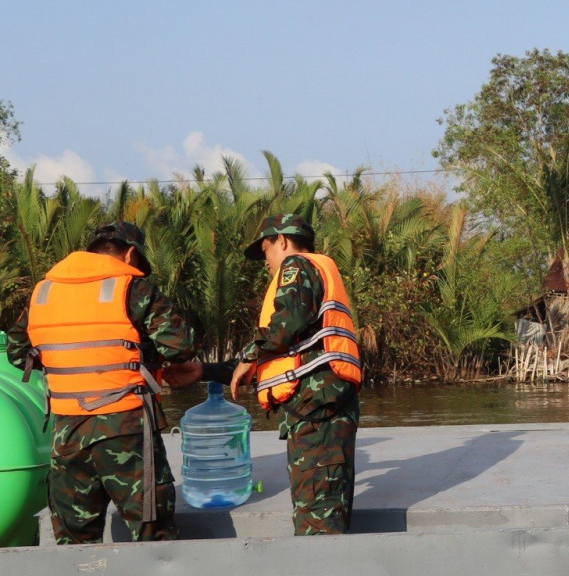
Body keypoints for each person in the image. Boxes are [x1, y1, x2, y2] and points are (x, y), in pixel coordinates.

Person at [8, 222, 203, 542]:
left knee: (75, 541)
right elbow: (182, 344)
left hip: (66, 434)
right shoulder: (133, 287)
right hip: (126, 428)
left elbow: (19, 354)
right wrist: (143, 356)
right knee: (153, 533)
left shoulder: (44, 292)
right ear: (130, 253)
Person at [230, 212, 364, 535]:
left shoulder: (297, 267)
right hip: (325, 409)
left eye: (266, 251)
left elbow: (285, 325)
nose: (266, 262)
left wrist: (249, 357)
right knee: (327, 510)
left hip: (317, 413)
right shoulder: (320, 269)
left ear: (283, 241)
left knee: (317, 524)